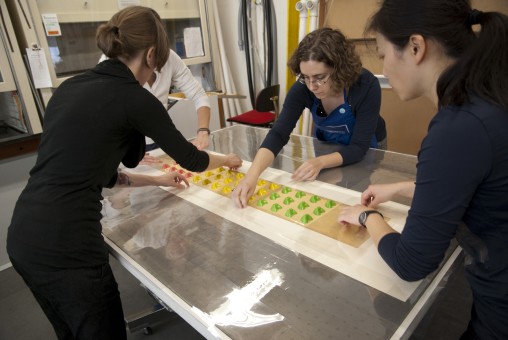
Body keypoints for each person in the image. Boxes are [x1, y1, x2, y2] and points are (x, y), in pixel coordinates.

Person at [6, 6, 241, 339]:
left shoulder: (70, 88)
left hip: (24, 238)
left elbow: (105, 175)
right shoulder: (135, 98)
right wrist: (227, 160)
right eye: (157, 65)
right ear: (149, 55)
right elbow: (191, 158)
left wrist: (159, 179)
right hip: (69, 246)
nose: (156, 73)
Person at [337, 1, 508, 339]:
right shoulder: (486, 100)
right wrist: (400, 188)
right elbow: (477, 186)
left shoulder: (458, 126)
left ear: (416, 47)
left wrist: (366, 217)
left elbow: (411, 263)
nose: (384, 67)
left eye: (384, 54)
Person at [232, 27, 386, 208]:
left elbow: (359, 147)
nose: (312, 86)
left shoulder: (366, 85)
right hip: (328, 144)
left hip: (366, 146)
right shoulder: (302, 89)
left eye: (319, 77)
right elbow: (279, 133)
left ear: (339, 69)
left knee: (357, 193)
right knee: (325, 195)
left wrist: (320, 162)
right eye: (305, 77)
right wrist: (251, 176)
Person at [99, 49, 212, 152]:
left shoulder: (168, 56)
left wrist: (203, 130)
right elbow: (103, 116)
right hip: (126, 146)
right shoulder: (111, 62)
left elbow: (198, 95)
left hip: (160, 139)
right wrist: (127, 153)